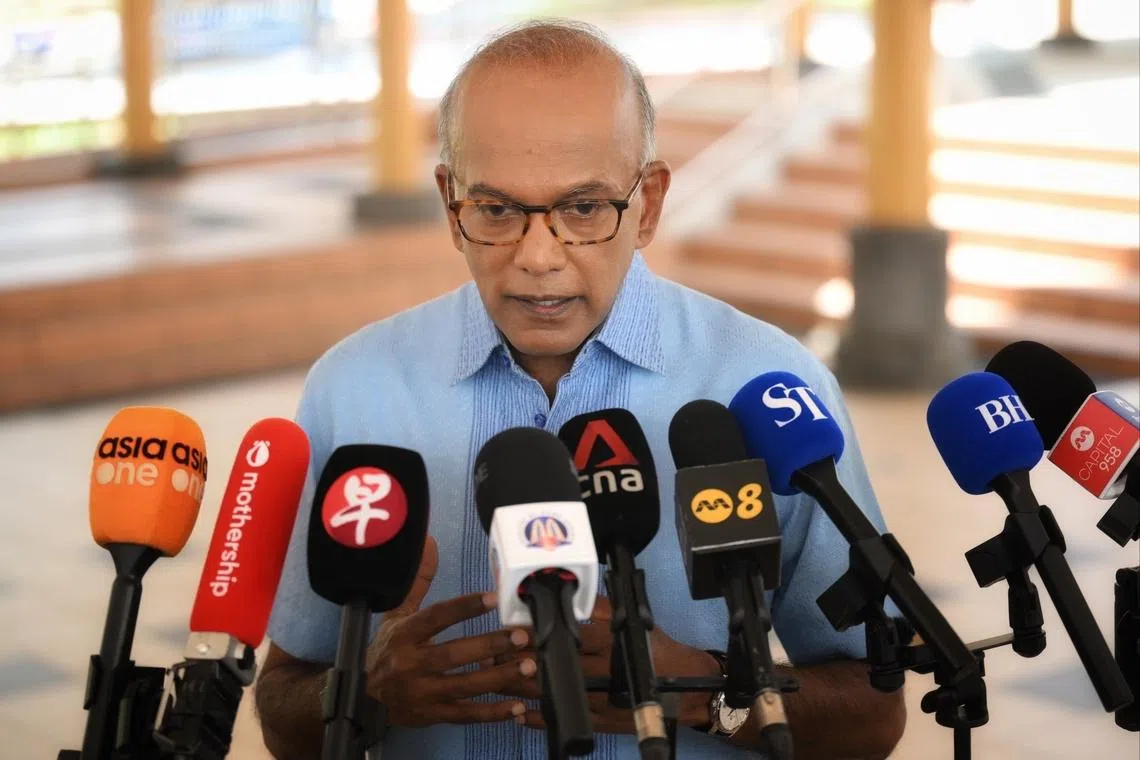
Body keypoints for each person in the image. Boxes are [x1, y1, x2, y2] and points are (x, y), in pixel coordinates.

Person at [255, 18, 906, 760]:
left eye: (585, 208)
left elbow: (875, 713)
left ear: (650, 203)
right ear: (449, 204)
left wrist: (708, 691)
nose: (538, 257)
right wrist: (363, 694)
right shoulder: (353, 389)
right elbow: (282, 712)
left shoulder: (769, 389)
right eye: (496, 210)